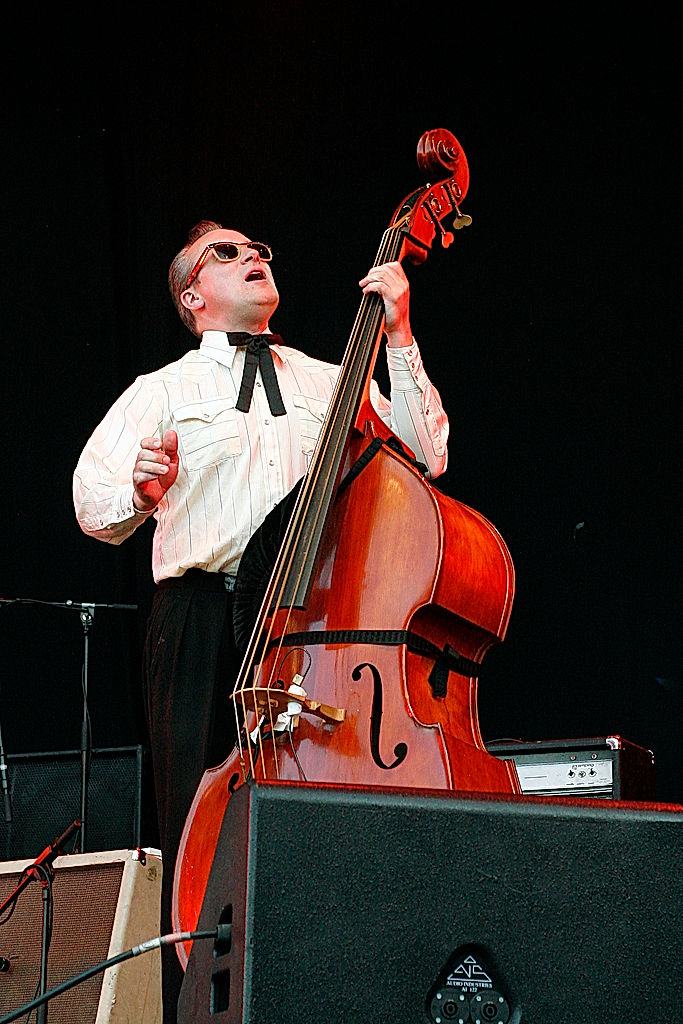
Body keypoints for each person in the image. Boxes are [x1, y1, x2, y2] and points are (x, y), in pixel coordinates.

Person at [73, 219, 449, 1022]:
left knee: (323, 812)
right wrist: (139, 494)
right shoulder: (161, 389)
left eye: (259, 251)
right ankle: (205, 1006)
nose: (253, 258)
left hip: (317, 620)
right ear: (191, 295)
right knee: (199, 814)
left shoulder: (329, 377)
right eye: (228, 253)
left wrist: (399, 336)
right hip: (205, 616)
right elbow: (92, 506)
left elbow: (427, 456)